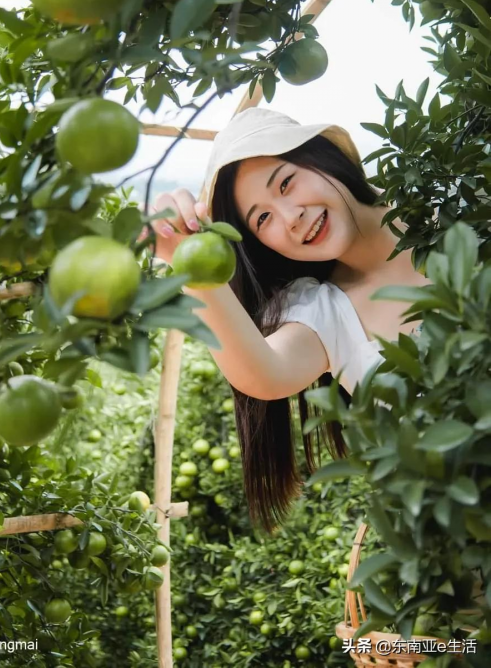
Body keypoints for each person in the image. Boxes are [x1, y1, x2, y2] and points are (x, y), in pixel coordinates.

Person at [149, 108, 431, 534]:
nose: (290, 217)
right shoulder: (329, 313)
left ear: (324, 157)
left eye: (286, 182)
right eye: (262, 219)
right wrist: (185, 257)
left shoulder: (445, 201)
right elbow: (263, 373)